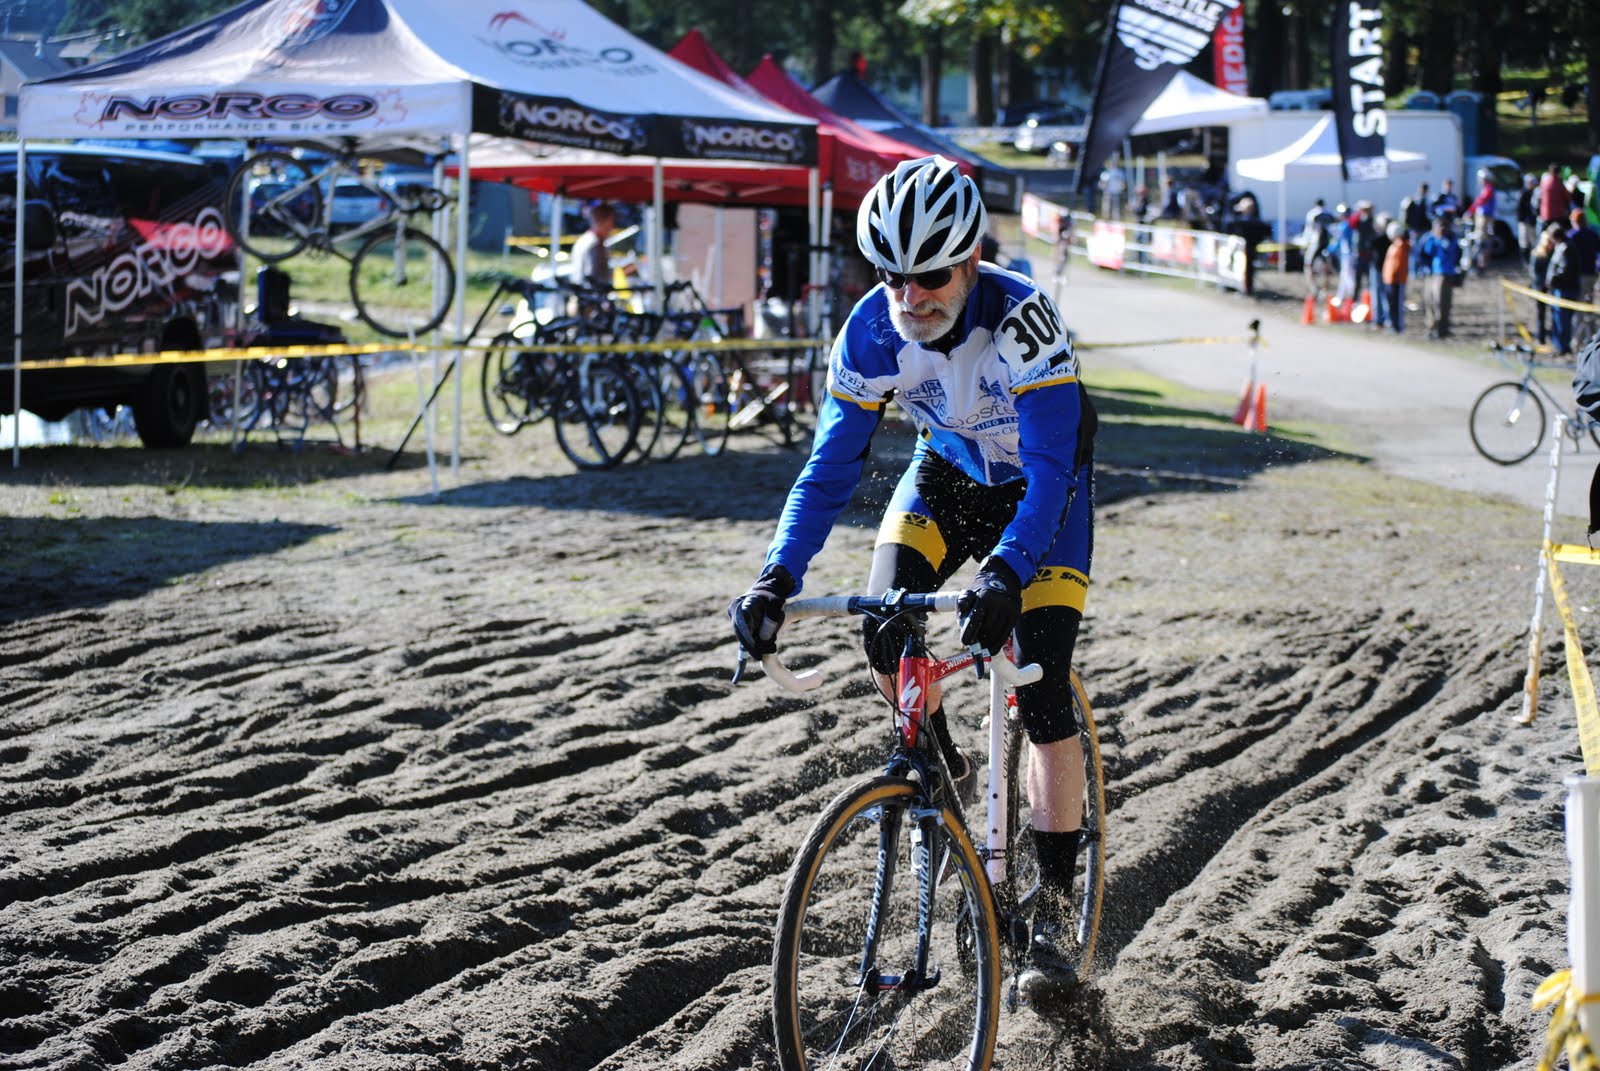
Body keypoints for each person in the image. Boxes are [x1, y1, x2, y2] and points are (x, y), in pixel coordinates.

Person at [727, 155, 1097, 1000]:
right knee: (883, 625)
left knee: (1040, 684)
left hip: (1045, 488)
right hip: (950, 474)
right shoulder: (869, 329)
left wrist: (1008, 568)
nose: (909, 296)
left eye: (930, 275)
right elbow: (828, 469)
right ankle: (945, 788)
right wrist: (775, 577)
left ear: (970, 261)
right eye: (890, 274)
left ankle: (1054, 910)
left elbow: (1046, 476)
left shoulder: (1025, 323)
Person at [1414, 214, 1462, 339]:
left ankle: (1442, 328)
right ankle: (1431, 327)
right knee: (1431, 301)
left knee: (1444, 302)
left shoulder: (1451, 239)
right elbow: (1422, 253)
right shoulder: (1430, 238)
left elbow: (1455, 254)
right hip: (1432, 274)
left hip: (1446, 274)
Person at [567, 202, 619, 291]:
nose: (612, 226)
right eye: (611, 221)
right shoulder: (591, 243)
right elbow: (587, 277)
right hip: (590, 296)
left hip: (590, 293)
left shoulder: (591, 240)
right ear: (607, 221)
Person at [1529, 220, 1563, 346]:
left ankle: (1554, 337)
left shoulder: (1554, 254)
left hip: (1551, 287)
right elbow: (1533, 272)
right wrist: (1541, 283)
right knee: (1541, 314)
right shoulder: (1537, 254)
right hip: (1540, 287)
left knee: (1555, 313)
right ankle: (1541, 337)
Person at [1547, 227, 1580, 355]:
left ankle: (1562, 347)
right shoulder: (1562, 247)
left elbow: (1565, 269)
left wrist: (1554, 280)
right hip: (1561, 289)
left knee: (1563, 320)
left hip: (1565, 290)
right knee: (1558, 319)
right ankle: (1559, 345)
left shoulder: (1566, 248)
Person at [1567, 207, 1600, 305]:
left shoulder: (1571, 236)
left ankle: (1584, 319)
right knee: (1589, 296)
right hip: (1592, 271)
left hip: (1579, 273)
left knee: (1580, 299)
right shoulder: (1592, 234)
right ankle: (1589, 317)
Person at [1382, 220, 1410, 335]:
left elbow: (1398, 264)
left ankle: (1398, 327)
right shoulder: (1394, 245)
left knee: (1397, 305)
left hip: (1396, 280)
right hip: (1389, 279)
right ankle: (1393, 325)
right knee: (1391, 305)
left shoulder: (1401, 246)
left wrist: (1394, 276)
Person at [1540, 162, 1572, 228]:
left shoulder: (1544, 182)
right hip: (1557, 215)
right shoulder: (1558, 182)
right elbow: (1568, 196)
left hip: (1545, 214)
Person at [1517, 172, 1540, 260]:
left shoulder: (1535, 192)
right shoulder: (1523, 193)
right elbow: (1520, 209)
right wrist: (1523, 219)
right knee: (1524, 242)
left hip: (1532, 221)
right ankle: (1525, 260)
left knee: (1534, 241)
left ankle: (1533, 259)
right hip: (1524, 221)